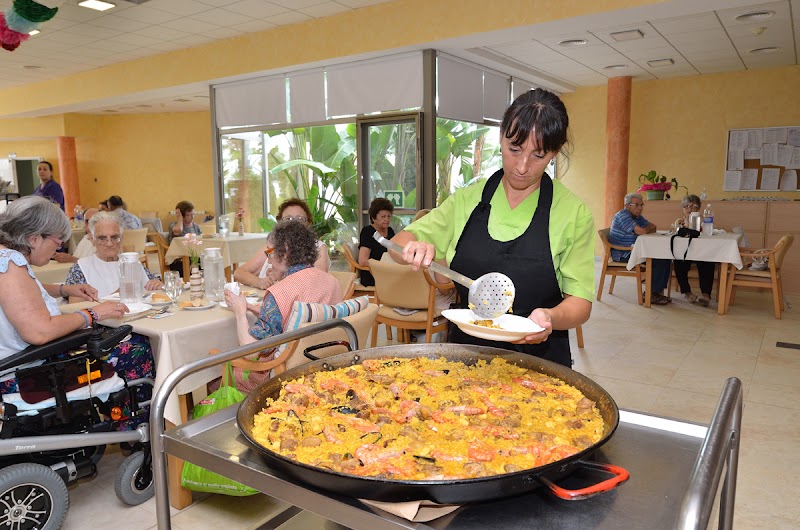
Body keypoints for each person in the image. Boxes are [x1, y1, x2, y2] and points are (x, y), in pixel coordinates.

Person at [392, 89, 594, 368]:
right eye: (514, 150)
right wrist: (413, 248)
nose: (522, 166)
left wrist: (550, 317)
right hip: (464, 357)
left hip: (539, 362)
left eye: (538, 155)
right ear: (501, 138)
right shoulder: (468, 200)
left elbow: (581, 303)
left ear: (554, 152)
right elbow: (398, 243)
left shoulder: (572, 212)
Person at [0, 196, 130, 393]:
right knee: (135, 349)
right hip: (26, 377)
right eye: (57, 240)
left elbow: (17, 292)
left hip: (17, 365)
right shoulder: (11, 263)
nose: (58, 247)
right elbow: (40, 332)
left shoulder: (5, 258)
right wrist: (92, 314)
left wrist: (64, 289)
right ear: (34, 239)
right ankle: (139, 411)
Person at [224, 221, 341, 392]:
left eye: (270, 252)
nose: (268, 259)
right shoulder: (332, 282)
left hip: (284, 376)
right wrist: (262, 310)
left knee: (220, 373)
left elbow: (250, 351)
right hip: (322, 365)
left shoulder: (279, 292)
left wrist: (240, 312)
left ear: (285, 251)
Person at [234, 198, 330, 290]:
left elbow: (318, 282)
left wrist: (282, 277)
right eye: (288, 219)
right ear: (279, 223)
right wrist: (259, 282)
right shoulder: (271, 248)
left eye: (300, 218)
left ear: (308, 223)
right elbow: (239, 272)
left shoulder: (318, 248)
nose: (294, 223)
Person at [64, 211, 162, 299]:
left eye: (114, 237)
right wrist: (117, 295)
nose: (109, 243)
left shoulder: (132, 263)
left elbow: (156, 285)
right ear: (92, 239)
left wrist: (157, 285)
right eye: (102, 238)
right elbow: (75, 306)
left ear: (121, 239)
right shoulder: (81, 268)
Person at [609, 193, 671, 305]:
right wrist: (643, 230)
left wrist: (642, 229)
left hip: (634, 250)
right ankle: (651, 294)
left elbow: (653, 227)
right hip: (623, 253)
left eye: (641, 205)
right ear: (627, 206)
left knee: (665, 257)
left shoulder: (637, 217)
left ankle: (656, 292)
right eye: (637, 205)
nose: (640, 208)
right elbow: (643, 231)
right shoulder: (623, 216)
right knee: (659, 260)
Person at [674, 194, 714, 307]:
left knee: (708, 262)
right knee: (678, 262)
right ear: (683, 209)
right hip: (684, 252)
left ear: (699, 208)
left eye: (694, 206)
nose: (690, 209)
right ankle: (687, 293)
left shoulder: (704, 222)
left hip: (701, 252)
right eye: (687, 206)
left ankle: (706, 295)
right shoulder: (679, 222)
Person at [358, 197, 395, 287]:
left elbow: (395, 253)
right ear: (374, 218)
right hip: (372, 274)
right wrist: (383, 266)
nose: (387, 219)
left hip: (389, 272)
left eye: (388, 216)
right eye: (383, 216)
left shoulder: (390, 231)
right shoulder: (367, 232)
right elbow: (362, 261)